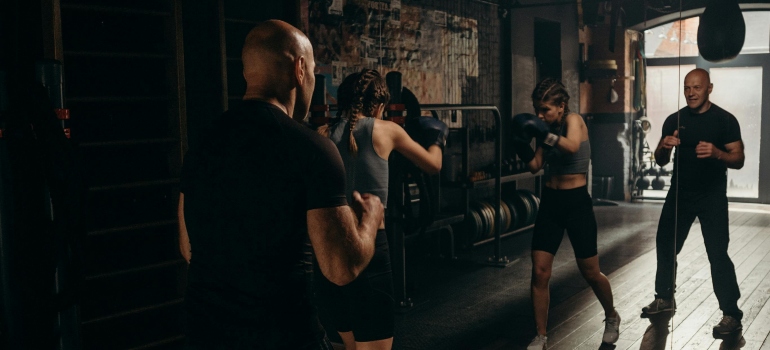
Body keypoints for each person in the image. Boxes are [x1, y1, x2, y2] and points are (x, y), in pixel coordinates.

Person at [177, 20, 385, 349]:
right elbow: (341, 267)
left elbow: (188, 248)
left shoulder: (203, 143)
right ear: (299, 68)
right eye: (313, 70)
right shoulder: (310, 148)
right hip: (284, 337)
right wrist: (371, 218)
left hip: (206, 336)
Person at [314, 69, 447, 350]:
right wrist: (438, 137)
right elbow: (433, 165)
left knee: (346, 347)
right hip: (370, 252)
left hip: (329, 252)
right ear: (378, 106)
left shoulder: (322, 133)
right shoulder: (387, 130)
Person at [511, 78, 620, 350]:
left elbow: (571, 146)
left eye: (545, 109)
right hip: (550, 202)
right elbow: (536, 165)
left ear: (561, 106)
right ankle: (541, 336)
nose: (539, 115)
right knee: (540, 272)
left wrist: (541, 132)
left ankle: (611, 316)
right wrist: (520, 143)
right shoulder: (545, 128)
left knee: (591, 272)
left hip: (576, 203)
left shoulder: (574, 121)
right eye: (536, 109)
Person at [641, 68, 745, 339]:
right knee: (665, 244)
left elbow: (739, 159)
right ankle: (664, 298)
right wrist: (665, 146)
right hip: (680, 194)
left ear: (709, 88)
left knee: (717, 254)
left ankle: (731, 313)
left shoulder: (725, 121)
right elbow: (661, 159)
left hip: (711, 196)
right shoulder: (674, 120)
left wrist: (718, 152)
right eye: (687, 87)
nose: (691, 93)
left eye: (697, 87)